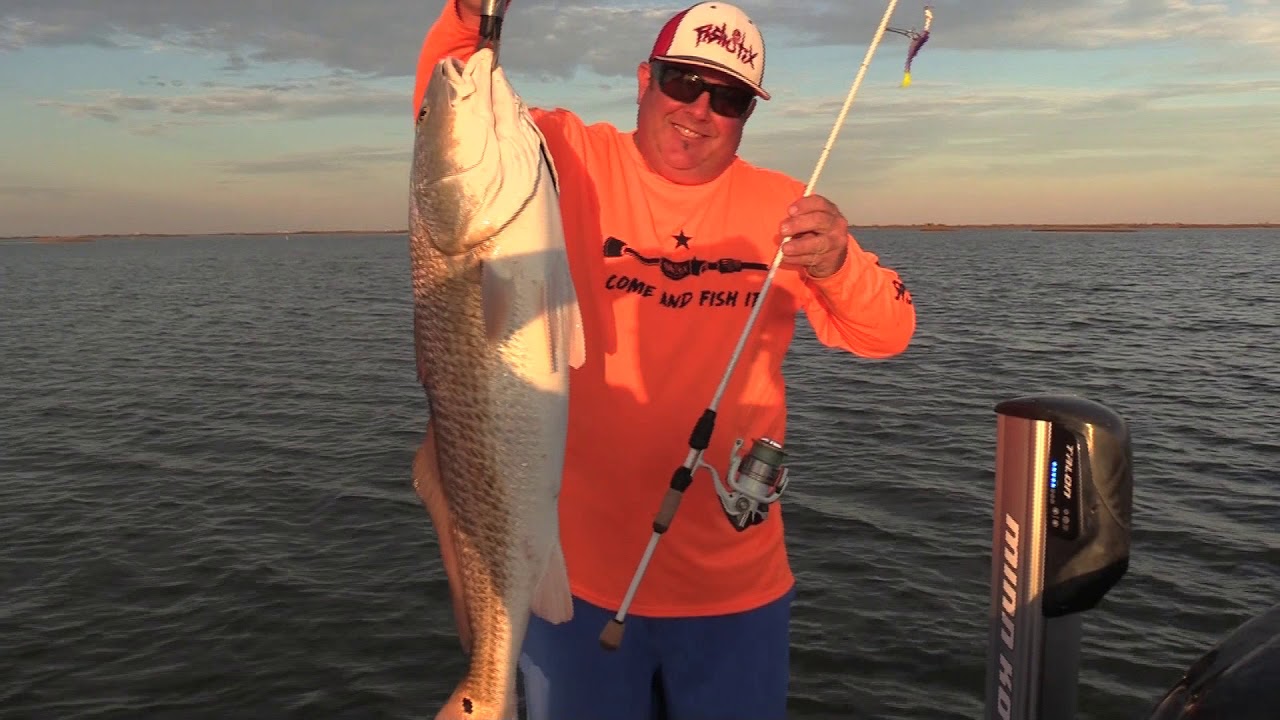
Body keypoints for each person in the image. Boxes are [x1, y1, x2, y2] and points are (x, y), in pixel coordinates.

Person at [412, 2, 917, 718]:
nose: (700, 110)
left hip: (735, 595)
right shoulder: (565, 155)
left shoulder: (786, 209)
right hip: (574, 589)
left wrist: (837, 264)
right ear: (645, 80)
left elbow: (888, 331)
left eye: (730, 97)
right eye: (683, 82)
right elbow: (447, 115)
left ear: (747, 116)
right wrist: (468, 14)